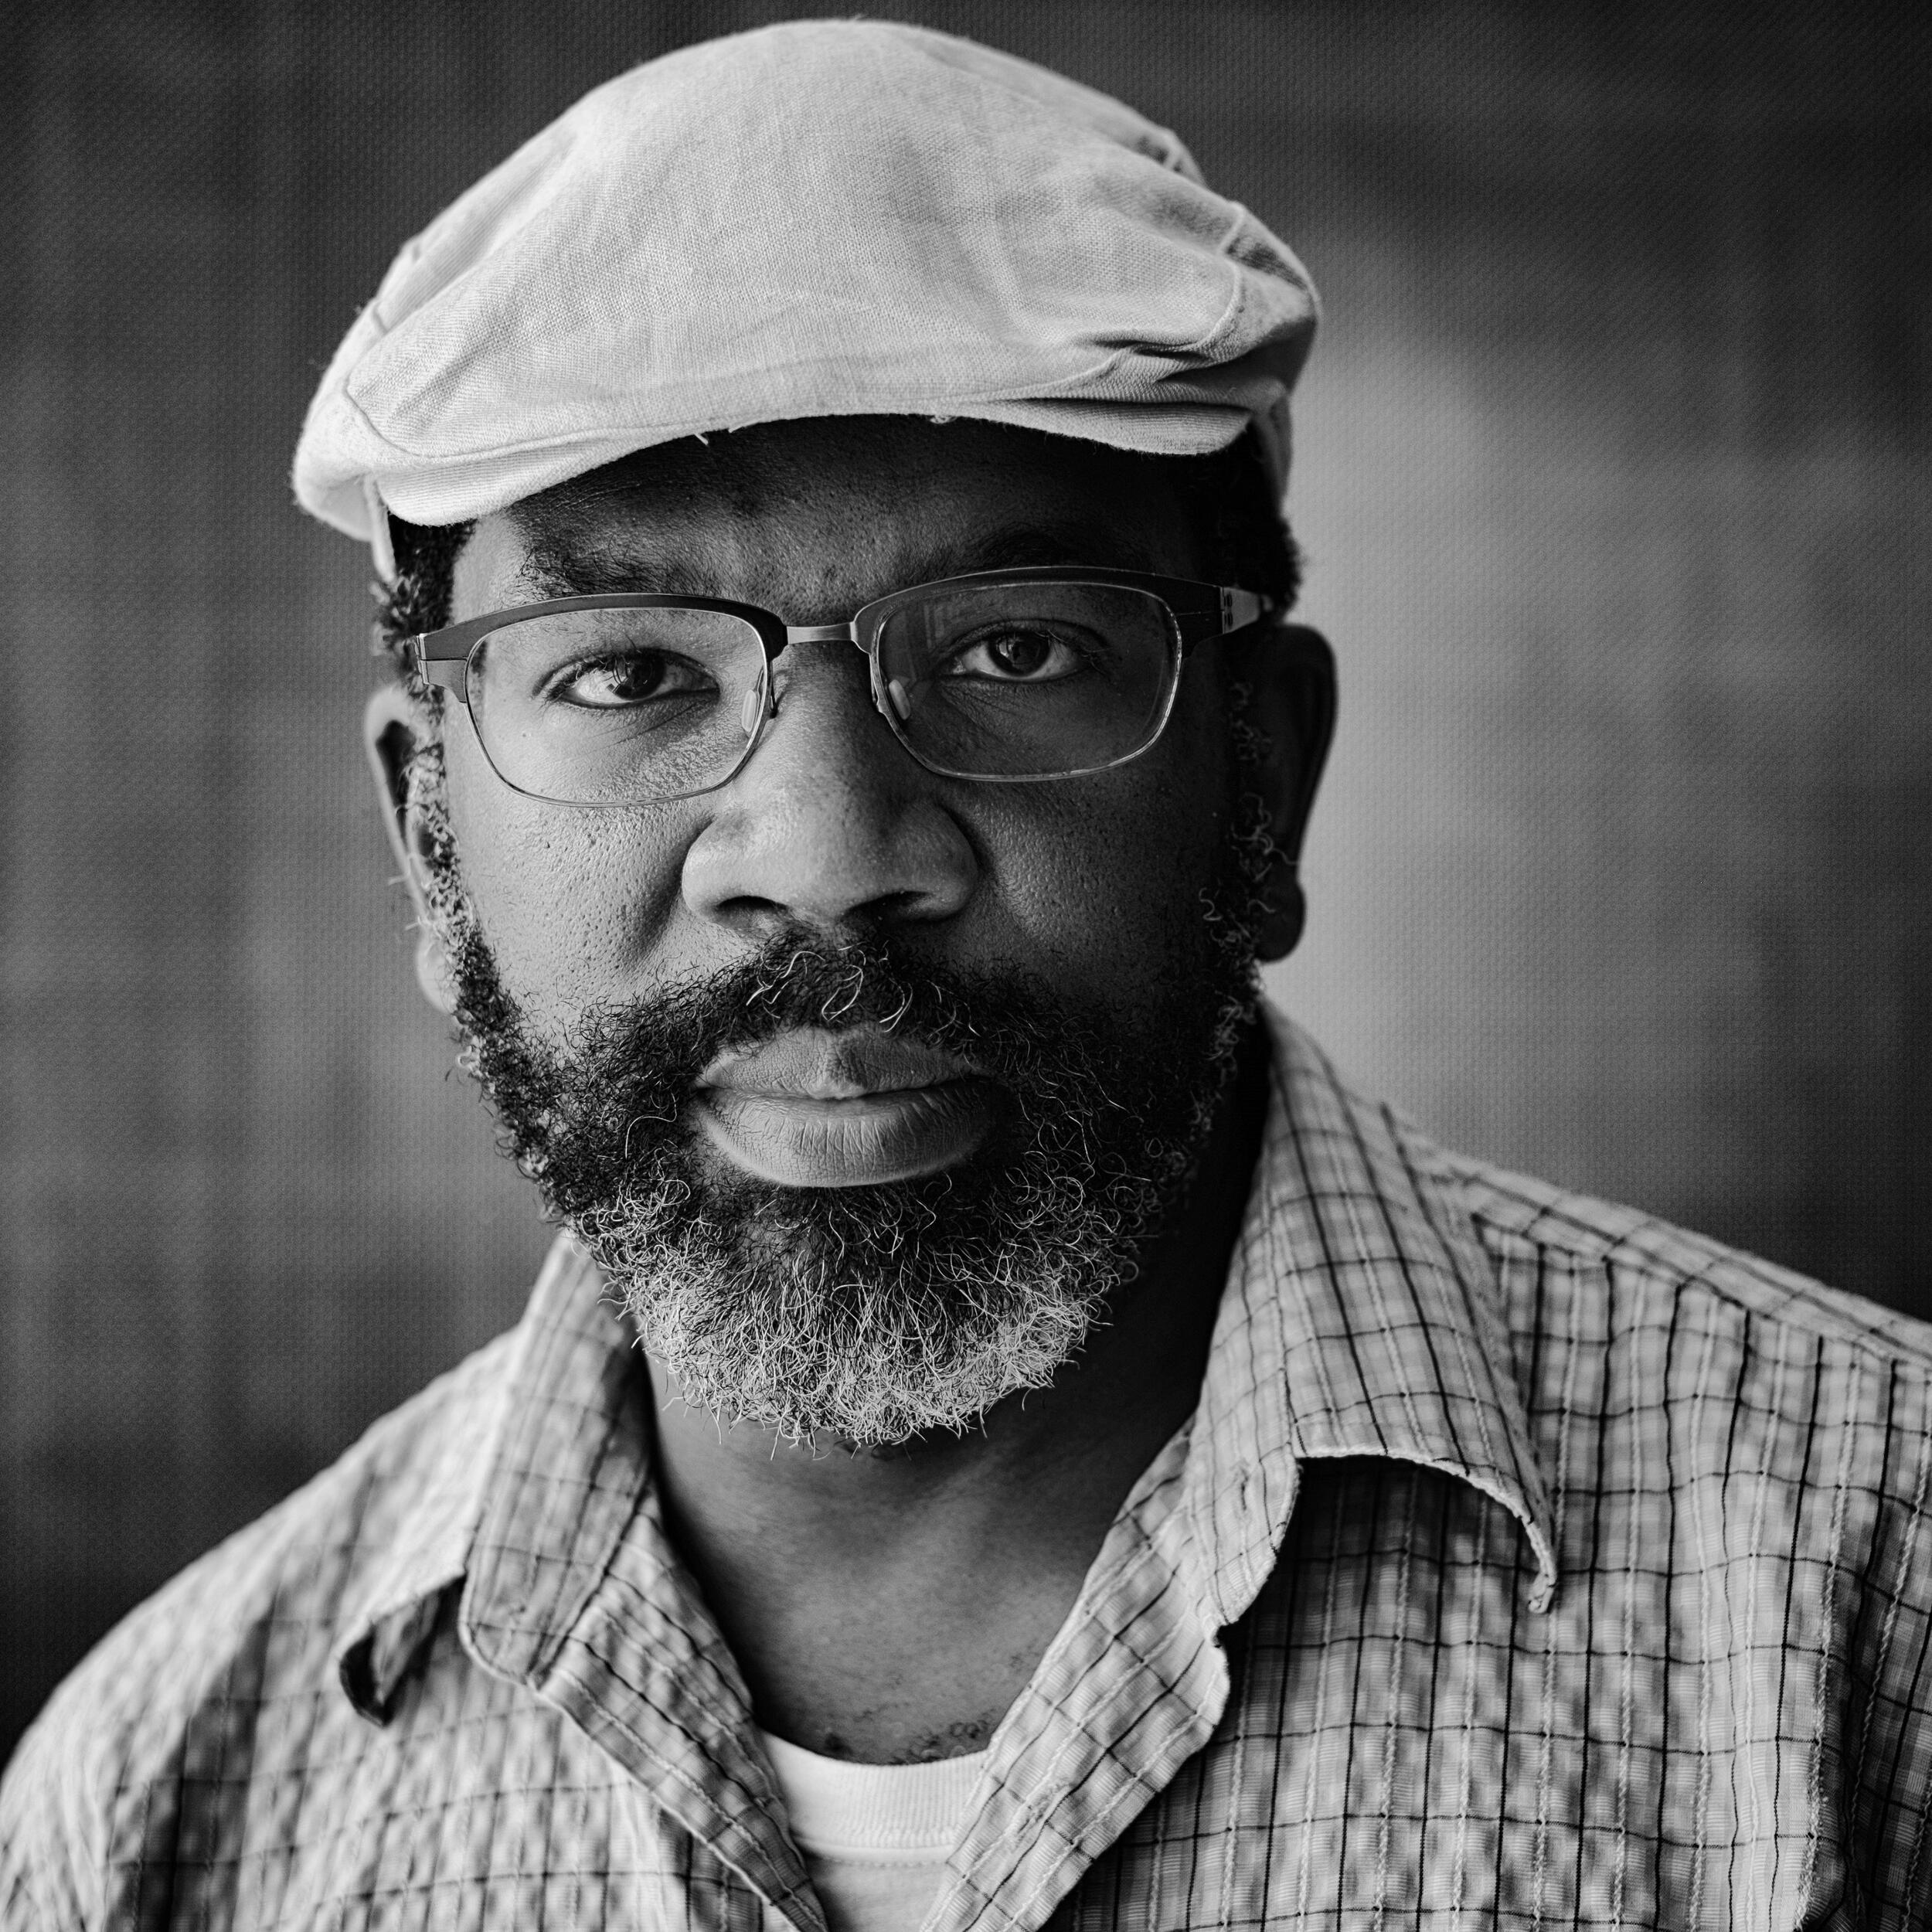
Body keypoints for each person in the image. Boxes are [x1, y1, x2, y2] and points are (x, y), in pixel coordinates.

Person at [2, 20, 1928, 1930]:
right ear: (430, 834)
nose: (832, 853)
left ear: (1259, 778)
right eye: (629, 669)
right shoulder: (164, 1802)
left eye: (1013, 650)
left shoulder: (1874, 1589)